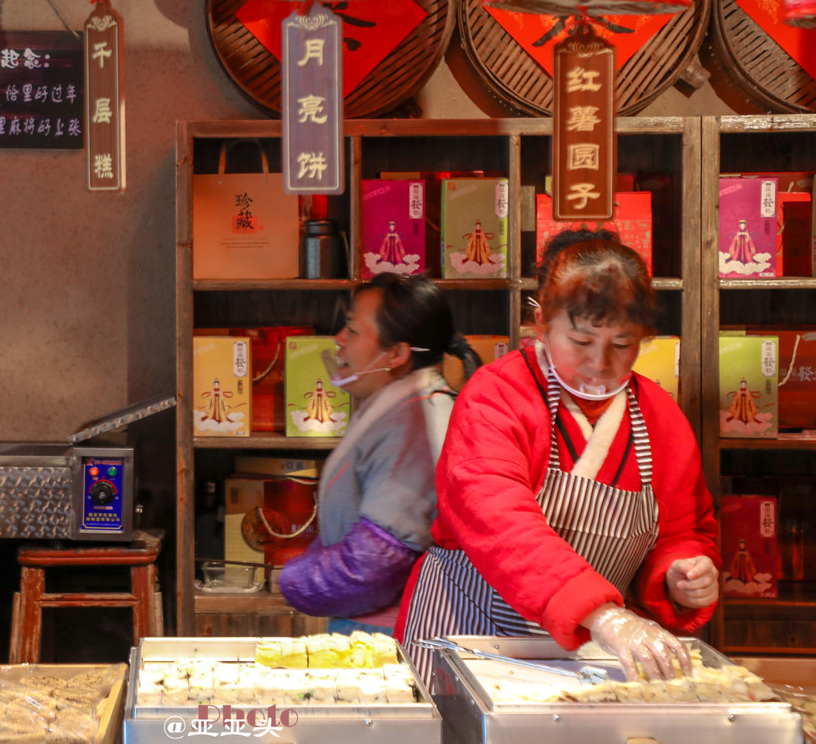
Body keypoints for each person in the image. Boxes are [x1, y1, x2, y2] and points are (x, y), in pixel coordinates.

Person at [397, 229, 720, 684]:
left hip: (590, 656)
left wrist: (681, 572)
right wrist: (605, 615)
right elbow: (498, 519)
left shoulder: (659, 415)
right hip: (468, 634)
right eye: (582, 342)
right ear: (541, 322)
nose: (600, 362)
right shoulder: (497, 394)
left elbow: (684, 529)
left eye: (622, 344)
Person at [278, 274, 476, 635]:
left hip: (394, 639)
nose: (339, 340)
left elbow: (374, 565)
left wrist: (293, 579)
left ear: (397, 354)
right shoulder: (404, 406)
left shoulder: (414, 424)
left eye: (352, 330)